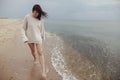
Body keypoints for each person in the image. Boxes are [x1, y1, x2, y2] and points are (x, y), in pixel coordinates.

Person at [21, 4, 48, 80]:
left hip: (38, 38)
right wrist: (24, 38)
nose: (36, 14)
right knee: (33, 51)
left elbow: (42, 29)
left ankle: (43, 72)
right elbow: (23, 28)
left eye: (38, 13)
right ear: (32, 11)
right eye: (35, 12)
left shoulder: (40, 20)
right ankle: (35, 58)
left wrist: (43, 37)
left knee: (40, 52)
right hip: (29, 38)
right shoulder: (27, 17)